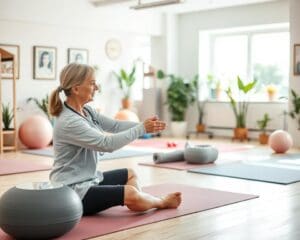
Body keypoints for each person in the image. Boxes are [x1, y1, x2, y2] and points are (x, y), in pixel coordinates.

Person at [49, 63, 182, 215]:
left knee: (130, 174)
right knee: (130, 192)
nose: (97, 88)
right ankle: (160, 201)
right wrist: (142, 129)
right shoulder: (70, 122)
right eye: (92, 84)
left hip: (89, 180)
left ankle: (139, 200)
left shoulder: (87, 111)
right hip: (71, 192)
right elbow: (107, 144)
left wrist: (145, 125)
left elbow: (115, 126)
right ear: (76, 89)